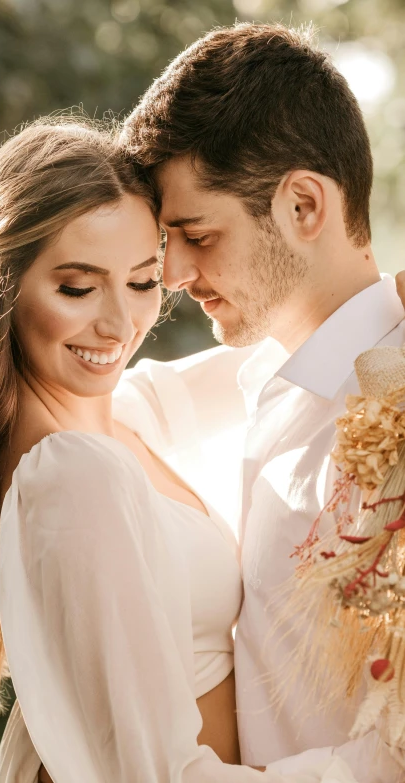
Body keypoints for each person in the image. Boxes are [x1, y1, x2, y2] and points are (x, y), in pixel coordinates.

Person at [0, 118, 358, 783]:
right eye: (77, 288)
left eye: (143, 282)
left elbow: (283, 355)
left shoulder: (118, 413)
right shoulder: (73, 474)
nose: (118, 326)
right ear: (4, 286)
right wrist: (367, 762)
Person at [120, 21, 405, 783]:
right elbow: (108, 405)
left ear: (304, 206)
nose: (173, 271)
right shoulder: (255, 383)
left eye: (197, 234)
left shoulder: (397, 402)